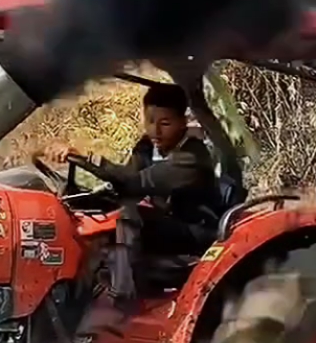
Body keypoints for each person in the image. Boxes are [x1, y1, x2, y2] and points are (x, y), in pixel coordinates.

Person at [66, 82, 221, 258]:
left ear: (182, 123)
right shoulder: (147, 146)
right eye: (150, 121)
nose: (156, 131)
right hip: (166, 220)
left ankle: (123, 284)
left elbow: (136, 183)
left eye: (165, 123)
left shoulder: (192, 156)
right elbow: (126, 179)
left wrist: (90, 158)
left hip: (195, 229)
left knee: (129, 216)